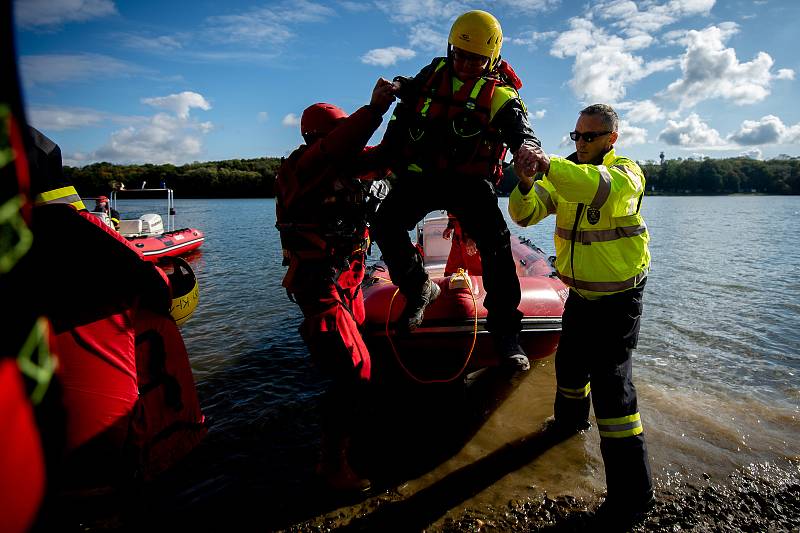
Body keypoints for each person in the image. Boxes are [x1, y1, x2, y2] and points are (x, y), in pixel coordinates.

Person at [370, 10, 542, 371]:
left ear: (491, 59)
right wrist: (394, 89)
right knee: (385, 222)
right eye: (460, 55)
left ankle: (506, 335)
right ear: (450, 50)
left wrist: (527, 147)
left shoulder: (499, 96)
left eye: (476, 59)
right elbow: (407, 95)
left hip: (469, 182)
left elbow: (521, 131)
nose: (465, 64)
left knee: (496, 245)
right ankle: (419, 287)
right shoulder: (430, 77)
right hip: (423, 177)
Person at [509, 104, 655, 526]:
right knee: (570, 367)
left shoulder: (625, 172)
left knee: (613, 392)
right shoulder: (568, 172)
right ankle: (568, 427)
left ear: (612, 138)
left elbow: (598, 188)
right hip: (581, 295)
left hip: (618, 299)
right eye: (576, 136)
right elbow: (524, 213)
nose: (581, 143)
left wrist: (548, 164)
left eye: (589, 137)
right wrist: (524, 181)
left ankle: (632, 497)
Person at [274, 78, 396, 491]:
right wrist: (375, 109)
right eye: (340, 134)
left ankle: (357, 431)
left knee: (361, 361)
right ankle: (331, 466)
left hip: (348, 282)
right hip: (320, 284)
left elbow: (386, 155)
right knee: (355, 372)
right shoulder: (304, 166)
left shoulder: (347, 166)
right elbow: (339, 149)